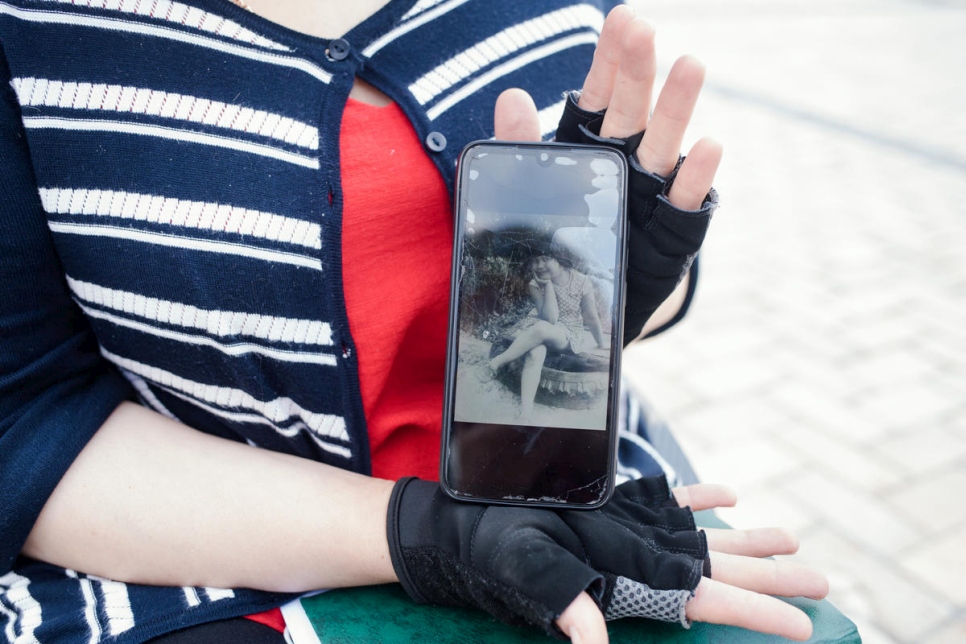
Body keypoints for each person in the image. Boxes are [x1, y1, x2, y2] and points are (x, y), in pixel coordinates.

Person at [0, 2, 828, 643]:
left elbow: (654, 279)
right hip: (191, 558)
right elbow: (26, 423)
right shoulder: (29, 33)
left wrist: (619, 302)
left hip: (568, 499)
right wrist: (425, 529)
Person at [486, 242, 608, 418]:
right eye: (535, 261)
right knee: (535, 354)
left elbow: (590, 316)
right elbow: (549, 317)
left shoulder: (581, 281)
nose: (540, 265)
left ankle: (498, 362)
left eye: (546, 259)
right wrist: (548, 286)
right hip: (540, 328)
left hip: (567, 333)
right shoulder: (535, 284)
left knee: (542, 329)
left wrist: (601, 343)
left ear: (559, 260)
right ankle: (525, 413)